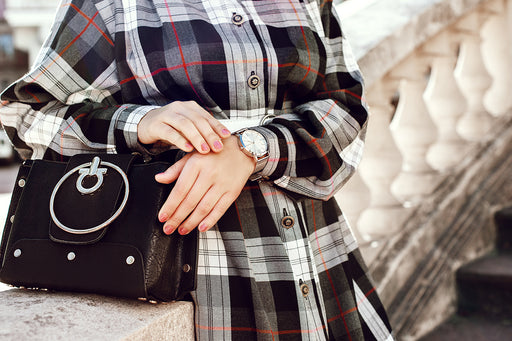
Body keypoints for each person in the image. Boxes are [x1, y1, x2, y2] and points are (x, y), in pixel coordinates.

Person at [0, 0, 393, 339]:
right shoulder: (113, 6)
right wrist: (141, 124)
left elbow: (345, 107)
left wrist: (250, 150)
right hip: (195, 269)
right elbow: (27, 116)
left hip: (318, 257)